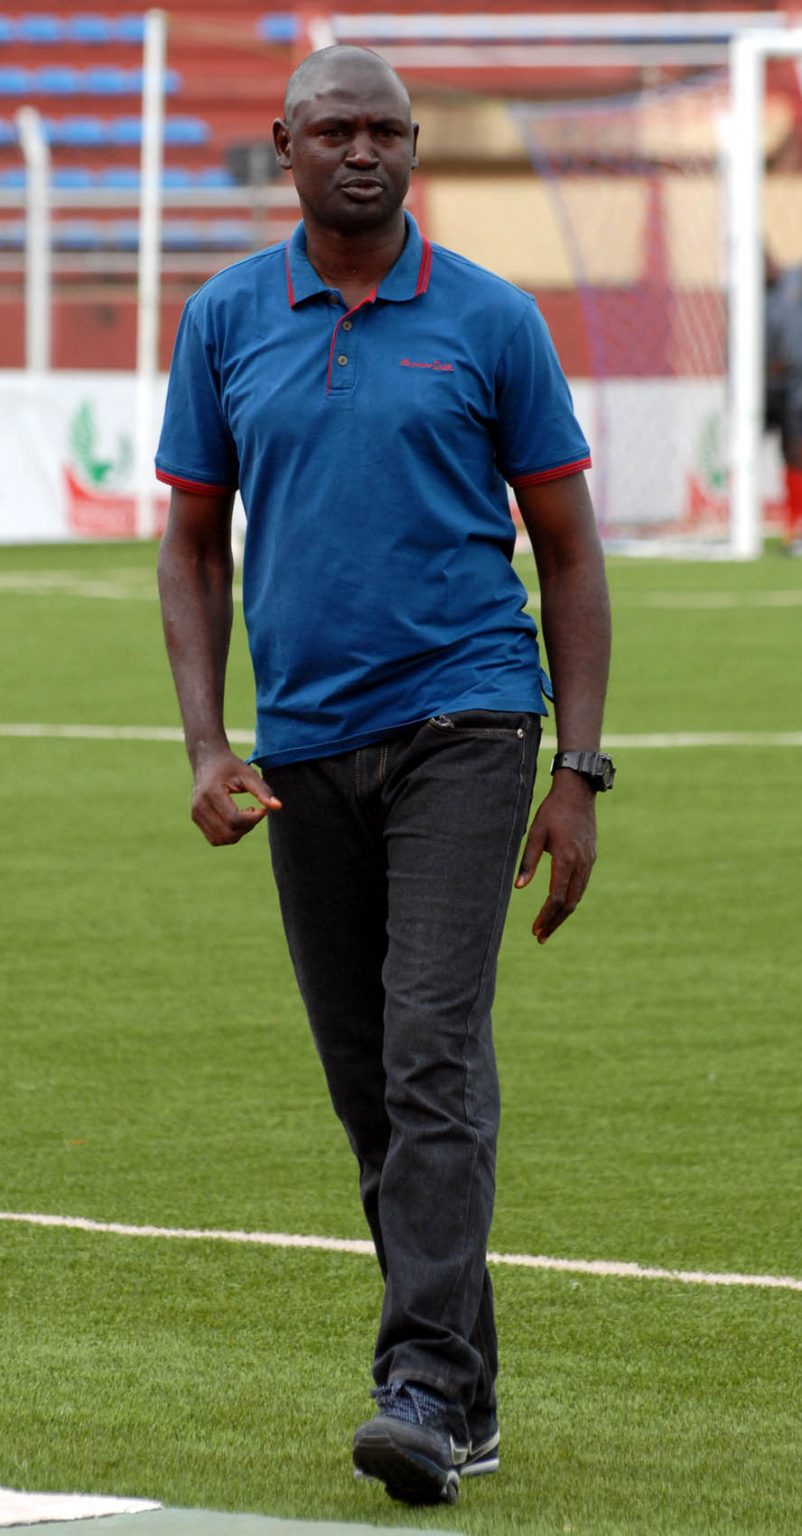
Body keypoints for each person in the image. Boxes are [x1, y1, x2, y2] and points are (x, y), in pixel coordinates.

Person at [156, 44, 613, 1509]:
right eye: (336, 129)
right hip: (301, 746)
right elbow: (189, 546)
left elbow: (568, 552)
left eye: (387, 131)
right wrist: (208, 743)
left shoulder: (490, 319)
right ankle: (463, 1396)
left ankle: (415, 1385)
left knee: (428, 1048)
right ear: (284, 144)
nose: (363, 150)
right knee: (371, 1084)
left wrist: (576, 770)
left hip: (467, 722)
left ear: (415, 147)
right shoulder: (226, 318)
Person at [765, 251, 802, 553]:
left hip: (794, 386)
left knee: (795, 450)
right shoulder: (750, 294)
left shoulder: (794, 280)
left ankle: (794, 525)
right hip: (762, 387)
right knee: (741, 450)